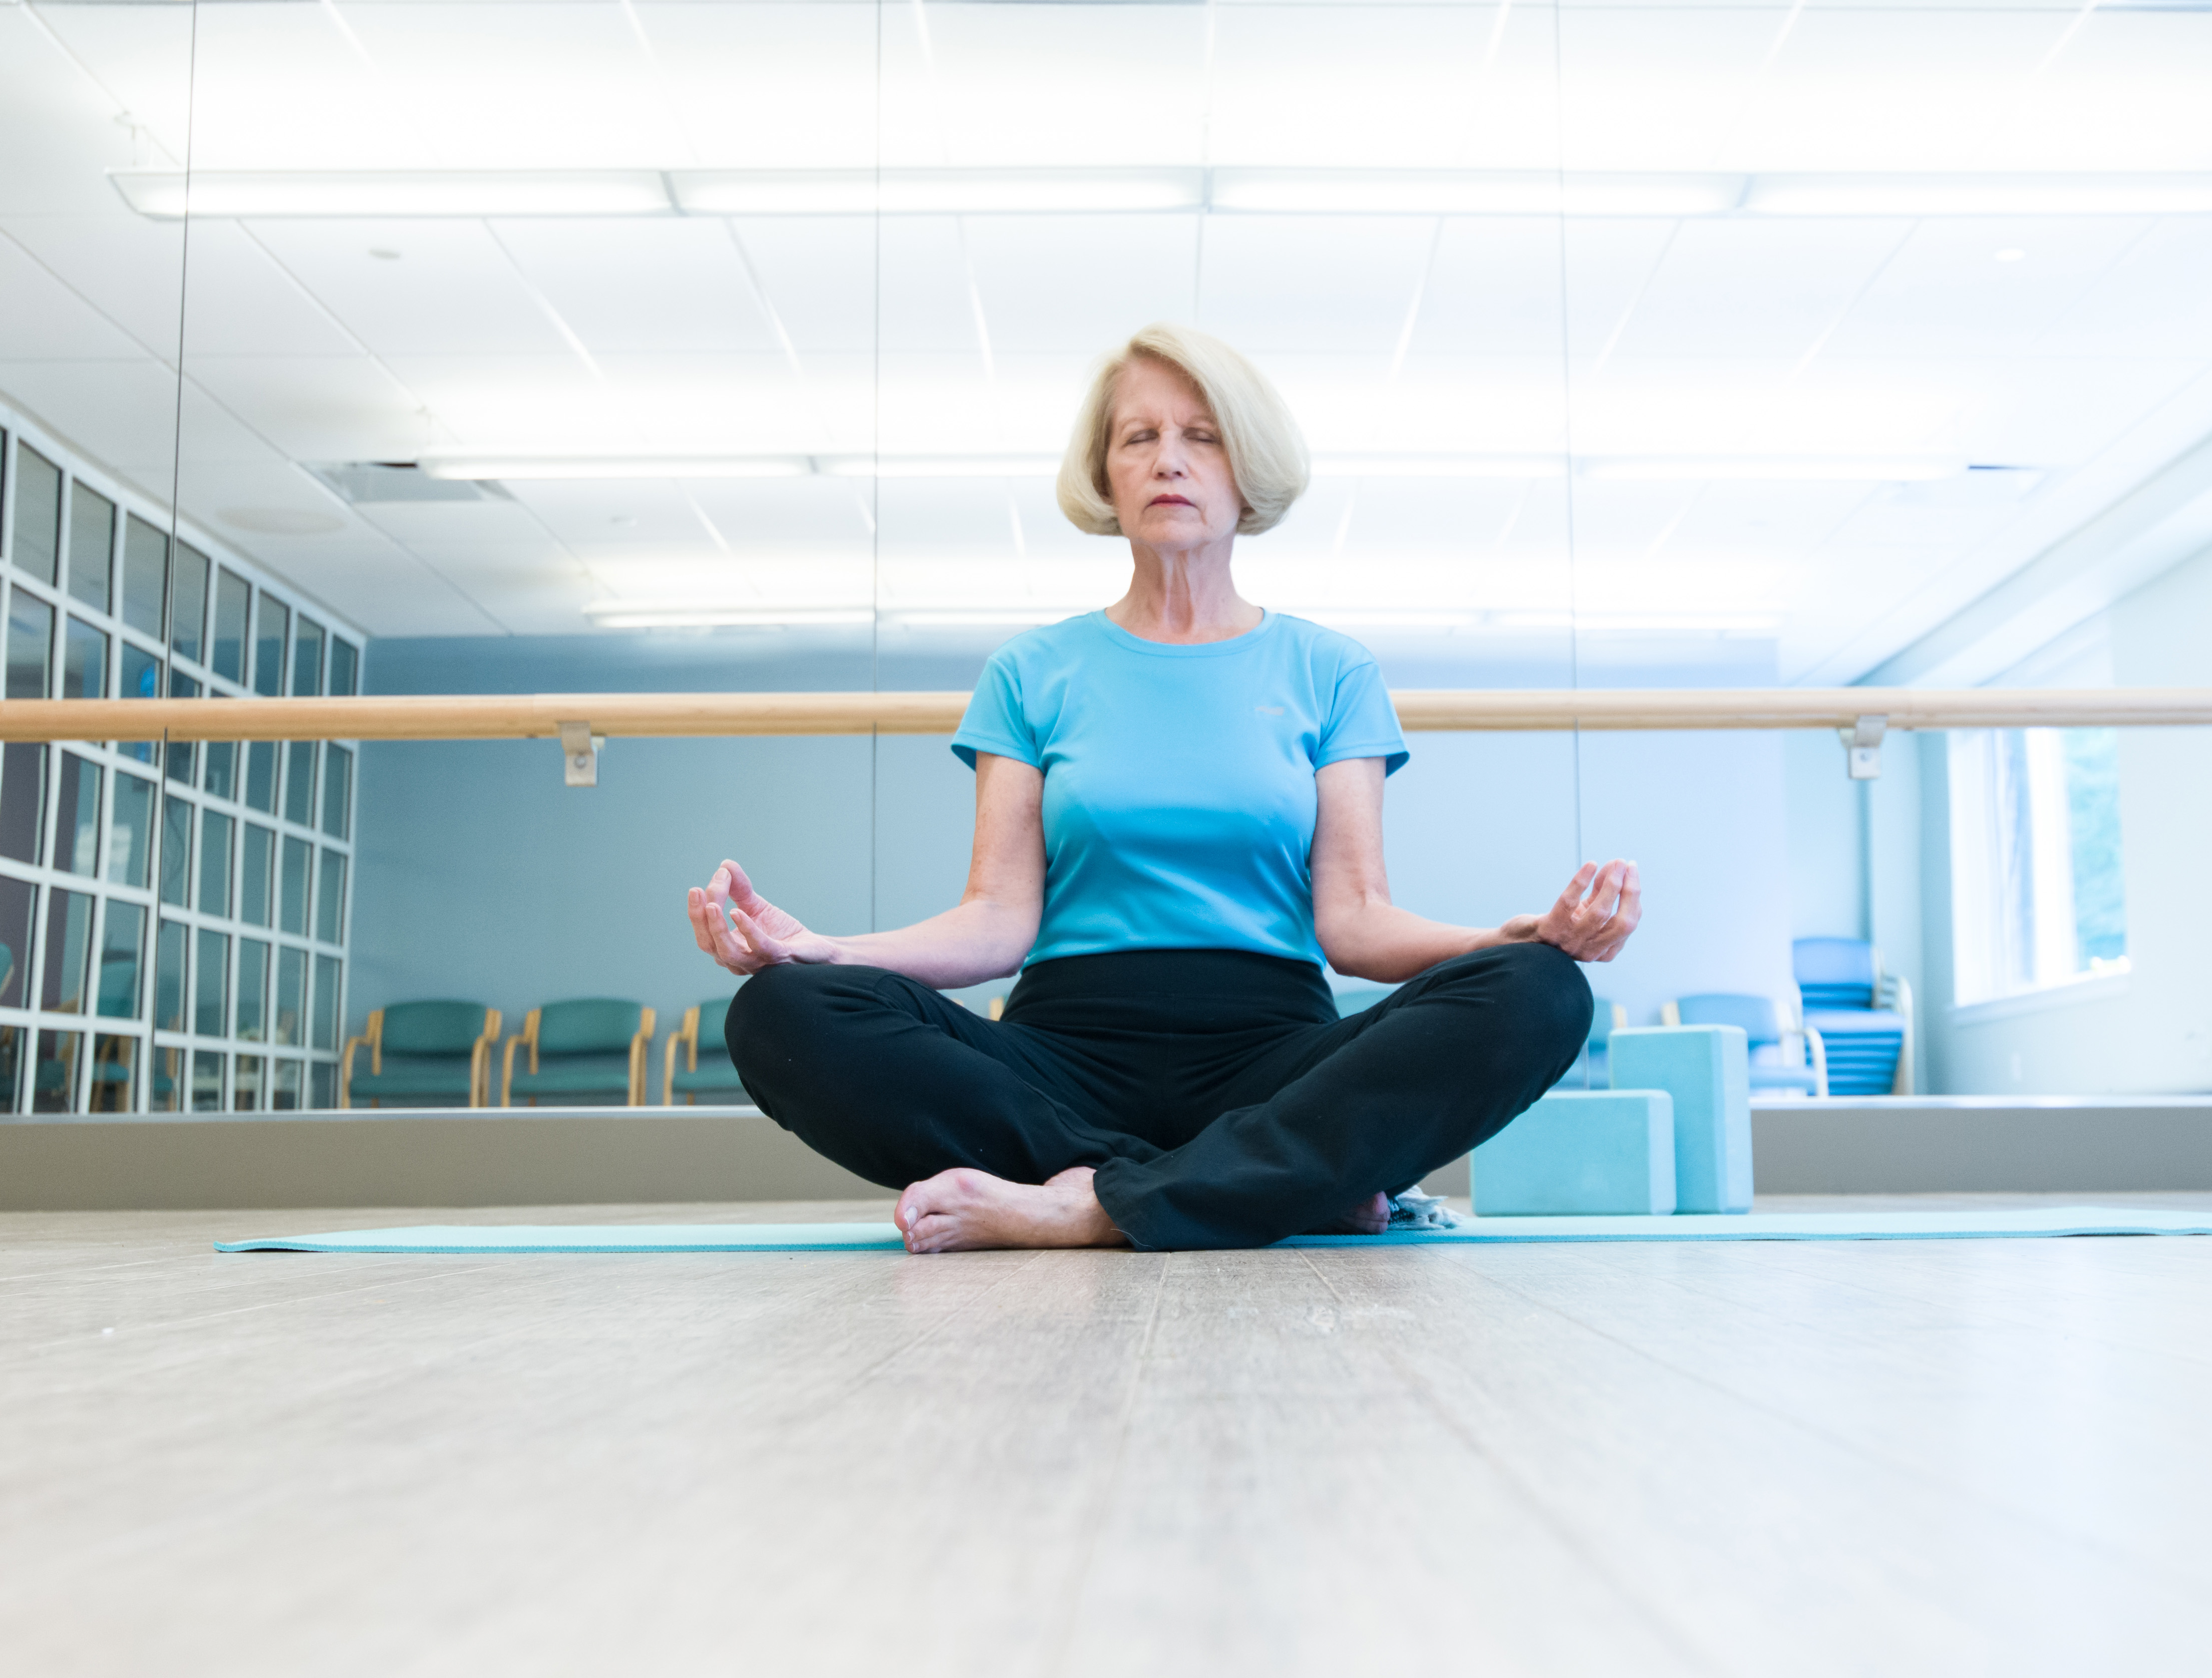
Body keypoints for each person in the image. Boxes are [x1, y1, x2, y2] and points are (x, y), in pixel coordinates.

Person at [688, 323, 1641, 1252]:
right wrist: (823, 950)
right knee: (780, 1011)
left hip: (1275, 1057)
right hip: (1063, 1063)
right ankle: (1259, 1188)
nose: (1168, 462)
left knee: (1541, 990)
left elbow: (1354, 922)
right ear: (1105, 476)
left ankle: (1090, 1206)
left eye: (1202, 436)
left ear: (1246, 468)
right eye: (1138, 438)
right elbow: (993, 921)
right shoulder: (1031, 671)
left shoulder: (1329, 669)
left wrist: (1508, 940)